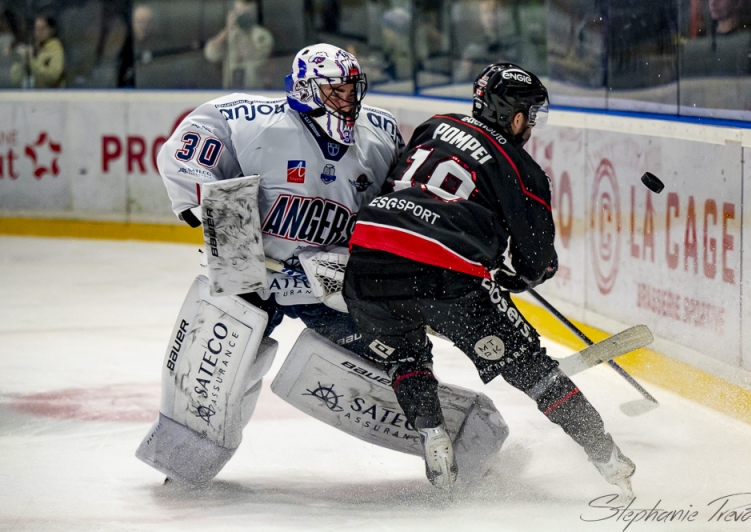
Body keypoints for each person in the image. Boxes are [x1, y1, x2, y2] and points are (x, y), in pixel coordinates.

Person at [342, 63, 636, 496]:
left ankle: (432, 434)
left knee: (406, 357)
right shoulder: (523, 169)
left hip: (367, 263)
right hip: (446, 275)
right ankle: (607, 457)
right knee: (535, 372)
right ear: (515, 116)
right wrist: (517, 274)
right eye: (531, 115)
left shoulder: (433, 126)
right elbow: (536, 263)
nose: (532, 124)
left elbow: (401, 190)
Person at [138, 43, 404, 485]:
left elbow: (397, 207)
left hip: (330, 276)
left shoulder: (381, 134)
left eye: (352, 90)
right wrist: (208, 213)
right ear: (304, 89)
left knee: (386, 353)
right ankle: (183, 463)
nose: (348, 101)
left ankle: (437, 429)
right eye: (335, 92)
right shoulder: (242, 120)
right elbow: (186, 161)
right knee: (218, 365)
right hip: (254, 272)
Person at [204, 0, 273, 89]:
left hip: (254, 90)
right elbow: (211, 55)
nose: (243, 17)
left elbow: (258, 58)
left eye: (247, 14)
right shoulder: (228, 35)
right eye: (240, 13)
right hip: (230, 91)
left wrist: (246, 32)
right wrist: (227, 30)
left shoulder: (262, 36)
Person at [10, 15, 65, 88]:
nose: (38, 32)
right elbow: (15, 79)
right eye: (36, 29)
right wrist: (22, 59)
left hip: (52, 95)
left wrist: (32, 60)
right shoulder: (33, 48)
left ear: (51, 30)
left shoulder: (56, 50)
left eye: (42, 29)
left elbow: (52, 77)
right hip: (33, 94)